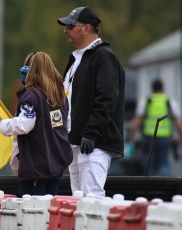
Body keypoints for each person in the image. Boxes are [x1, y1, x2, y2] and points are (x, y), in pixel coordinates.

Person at [0, 52, 73, 197]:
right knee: (49, 211)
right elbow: (66, 127)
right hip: (58, 164)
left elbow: (25, 125)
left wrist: (0, 121)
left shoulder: (31, 96)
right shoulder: (60, 97)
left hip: (37, 168)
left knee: (33, 212)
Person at [57, 6, 125, 197]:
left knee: (92, 197)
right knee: (78, 198)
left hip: (95, 143)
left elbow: (107, 98)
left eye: (70, 26)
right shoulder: (76, 59)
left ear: (86, 28)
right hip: (77, 140)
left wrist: (92, 133)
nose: (66, 30)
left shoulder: (104, 57)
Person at [130, 78, 182, 176]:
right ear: (163, 89)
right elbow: (178, 122)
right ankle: (166, 189)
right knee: (164, 164)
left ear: (152, 89)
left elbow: (137, 121)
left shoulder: (146, 101)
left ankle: (149, 189)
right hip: (165, 138)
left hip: (148, 138)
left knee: (149, 164)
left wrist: (133, 136)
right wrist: (180, 137)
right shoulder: (169, 101)